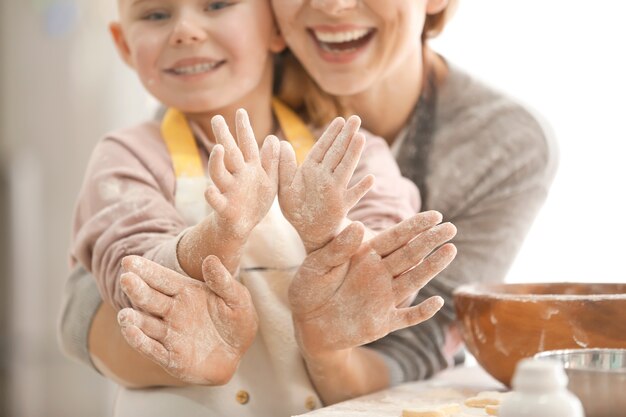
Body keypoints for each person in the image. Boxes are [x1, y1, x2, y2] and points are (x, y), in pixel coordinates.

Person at [60, 0, 556, 409]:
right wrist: (218, 237)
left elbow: (394, 269)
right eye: (156, 15)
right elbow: (120, 269)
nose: (188, 31)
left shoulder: (362, 152)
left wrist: (331, 240)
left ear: (270, 30)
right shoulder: (142, 149)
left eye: (218, 5)